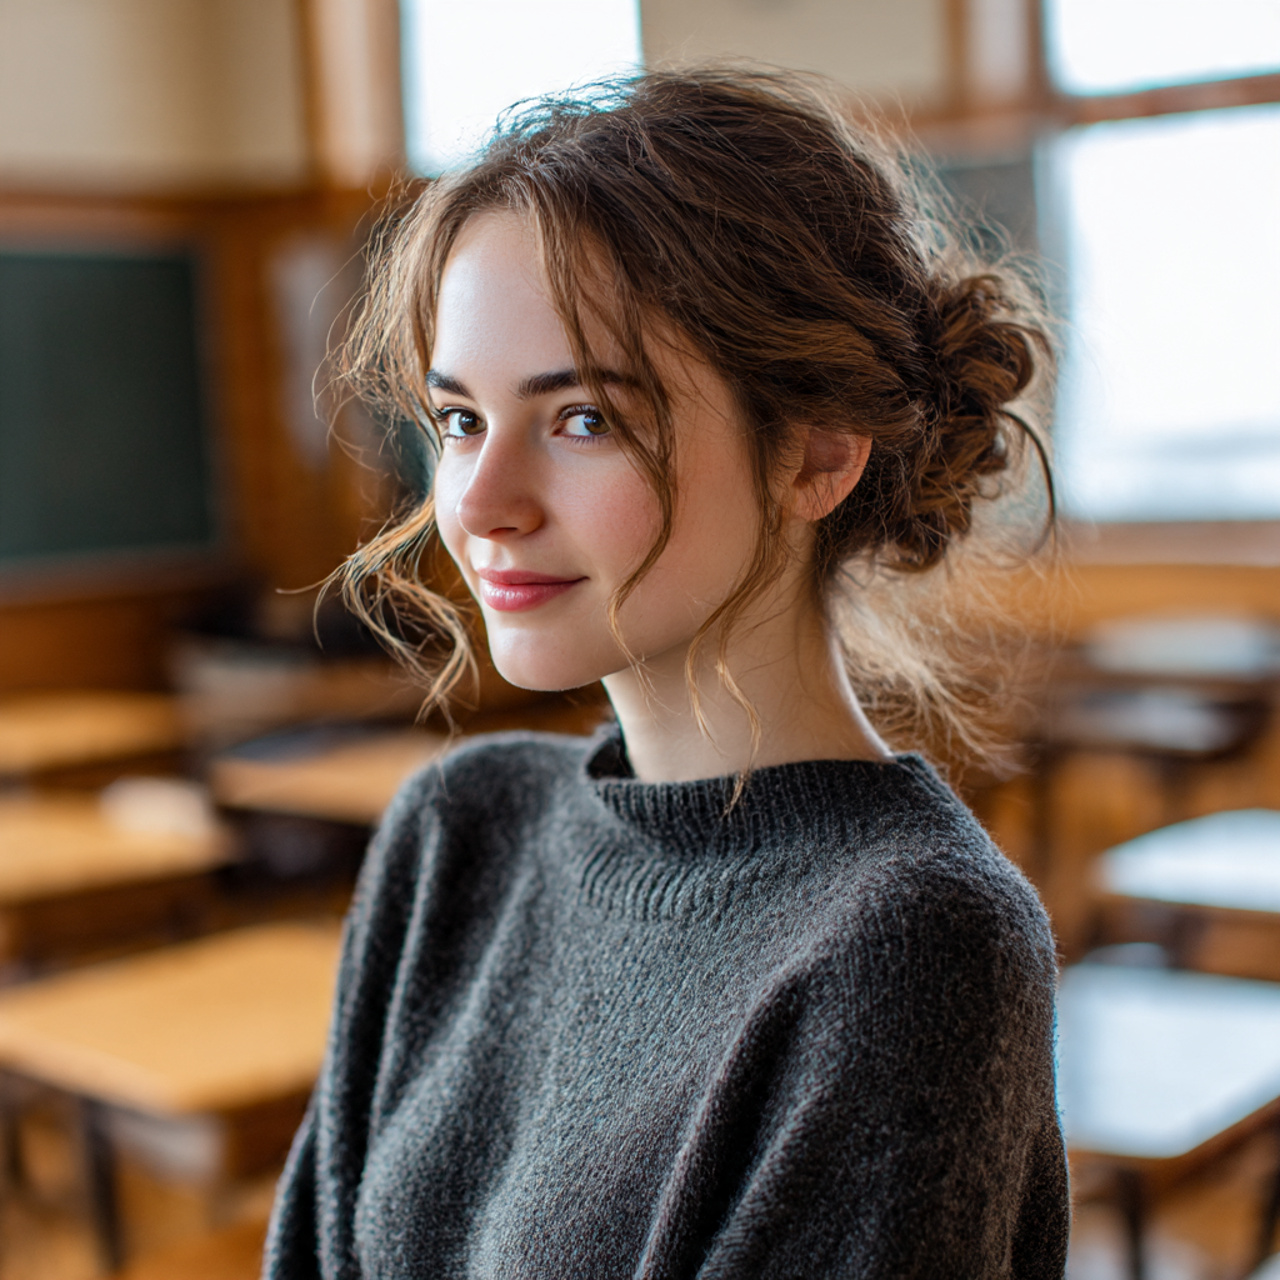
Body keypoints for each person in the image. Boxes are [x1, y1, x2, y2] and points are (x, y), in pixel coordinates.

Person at [264, 68, 1068, 1279]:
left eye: (581, 416)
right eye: (459, 420)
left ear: (815, 453)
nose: (478, 505)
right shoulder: (457, 829)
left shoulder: (908, 942)